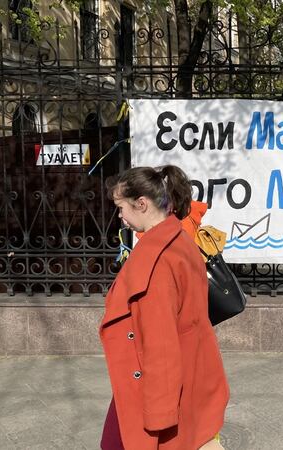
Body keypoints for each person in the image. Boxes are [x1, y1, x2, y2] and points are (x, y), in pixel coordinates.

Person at [100, 165, 228, 450]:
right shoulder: (179, 239)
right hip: (188, 376)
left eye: (121, 208)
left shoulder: (154, 261)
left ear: (141, 203)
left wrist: (158, 414)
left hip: (155, 386)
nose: (120, 217)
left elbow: (160, 343)